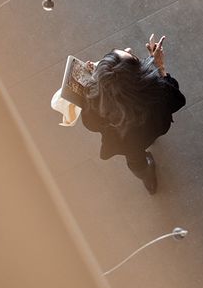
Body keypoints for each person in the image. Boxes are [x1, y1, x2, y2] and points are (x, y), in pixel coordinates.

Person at [79, 35, 184, 194]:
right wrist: (160, 67)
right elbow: (178, 100)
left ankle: (147, 177)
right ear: (138, 76)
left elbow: (90, 124)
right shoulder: (158, 93)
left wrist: (98, 79)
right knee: (148, 138)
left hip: (126, 143)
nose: (128, 49)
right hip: (154, 127)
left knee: (135, 162)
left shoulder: (94, 102)